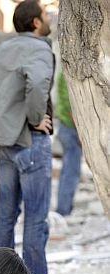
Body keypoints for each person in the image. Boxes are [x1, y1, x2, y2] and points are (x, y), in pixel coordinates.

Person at [0, 0, 69, 274]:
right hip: (30, 141)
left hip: (6, 144)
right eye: (44, 15)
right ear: (36, 23)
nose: (48, 17)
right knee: (36, 215)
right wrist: (34, 118)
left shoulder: (5, 48)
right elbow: (38, 85)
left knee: (6, 214)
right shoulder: (40, 48)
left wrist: (4, 114)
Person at [56, 71, 82, 216]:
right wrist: (80, 131)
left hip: (69, 127)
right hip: (71, 128)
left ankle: (65, 208)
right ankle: (64, 210)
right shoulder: (70, 73)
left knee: (70, 170)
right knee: (71, 171)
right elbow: (70, 103)